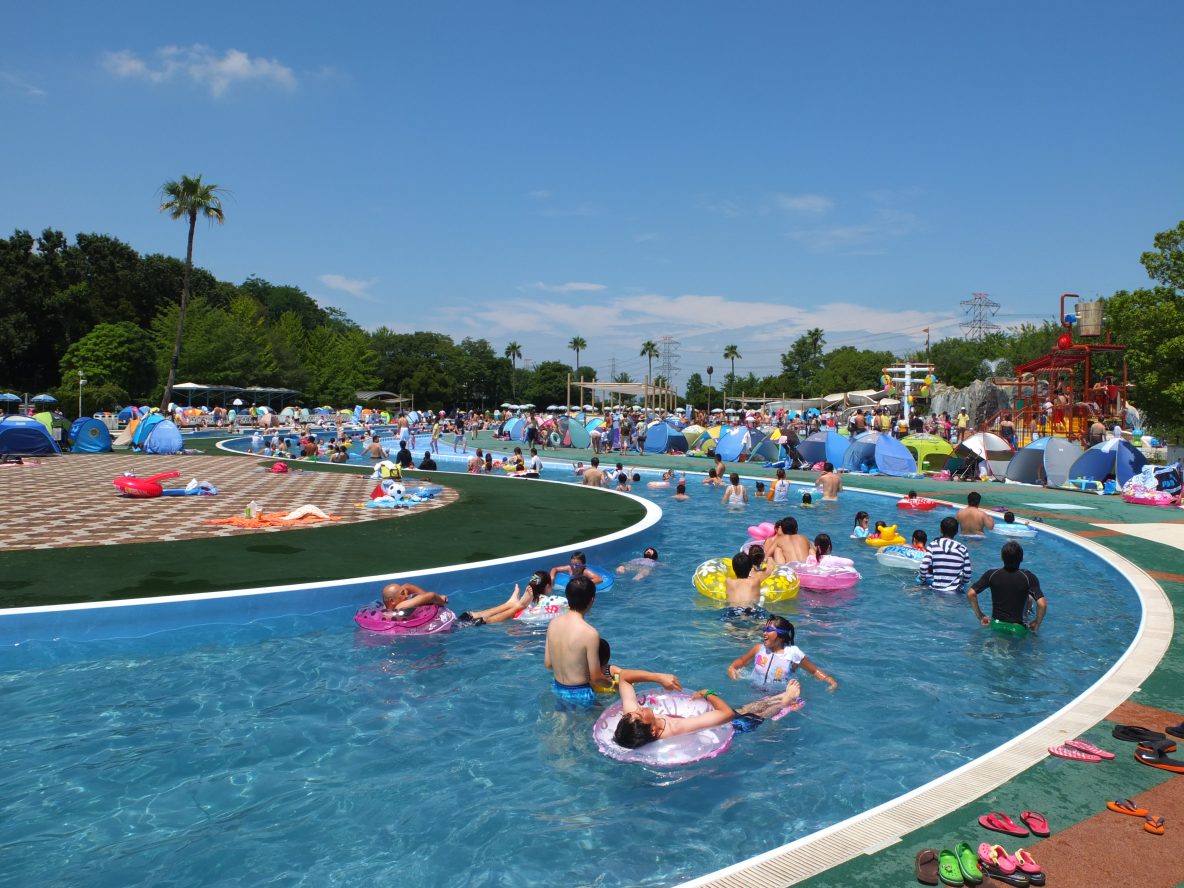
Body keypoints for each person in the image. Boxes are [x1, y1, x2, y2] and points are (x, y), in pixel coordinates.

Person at [544, 577, 681, 707]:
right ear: (592, 600)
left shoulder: (553, 623)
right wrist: (617, 686)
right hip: (581, 694)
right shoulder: (589, 633)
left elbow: (548, 664)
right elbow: (596, 677)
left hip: (557, 689)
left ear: (567, 598)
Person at [611, 677, 802, 748]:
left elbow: (625, 679)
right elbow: (725, 714)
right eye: (640, 714)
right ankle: (785, 700)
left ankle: (777, 697)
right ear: (652, 731)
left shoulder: (634, 722)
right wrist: (707, 693)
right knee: (753, 716)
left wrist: (658, 678)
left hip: (714, 720)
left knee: (744, 708)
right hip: (730, 729)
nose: (639, 709)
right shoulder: (676, 728)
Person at [728, 615, 838, 692]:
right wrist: (732, 668)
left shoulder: (793, 653)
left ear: (781, 635)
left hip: (779, 696)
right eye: (764, 629)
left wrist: (830, 681)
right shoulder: (759, 649)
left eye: (769, 630)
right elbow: (742, 661)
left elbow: (814, 671)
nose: (764, 633)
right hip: (753, 692)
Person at [967, 541, 1046, 632]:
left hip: (995, 625)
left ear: (1001, 557)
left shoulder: (992, 574)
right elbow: (1042, 604)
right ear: (1022, 558)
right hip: (1018, 628)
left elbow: (971, 593)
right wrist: (1037, 622)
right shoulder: (1029, 578)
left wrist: (980, 615)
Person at [458, 570, 556, 626]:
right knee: (473, 623)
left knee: (465, 618)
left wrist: (554, 571)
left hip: (456, 623)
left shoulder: (527, 598)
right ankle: (512, 605)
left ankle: (509, 604)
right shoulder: (551, 601)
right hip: (461, 627)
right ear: (547, 587)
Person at [920, 516, 972, 594]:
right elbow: (967, 574)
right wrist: (962, 583)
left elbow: (923, 566)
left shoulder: (933, 545)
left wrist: (923, 580)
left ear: (941, 529)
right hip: (955, 591)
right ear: (956, 532)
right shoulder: (962, 549)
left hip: (936, 590)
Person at [722, 550, 769, 615]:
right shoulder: (755, 581)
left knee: (729, 624)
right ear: (750, 568)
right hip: (750, 610)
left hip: (733, 611)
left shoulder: (729, 581)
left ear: (733, 568)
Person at [379, 582, 448, 619]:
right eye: (403, 593)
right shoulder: (400, 607)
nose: (406, 595)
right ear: (392, 601)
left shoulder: (385, 606)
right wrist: (440, 599)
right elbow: (431, 596)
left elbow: (407, 586)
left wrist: (402, 590)